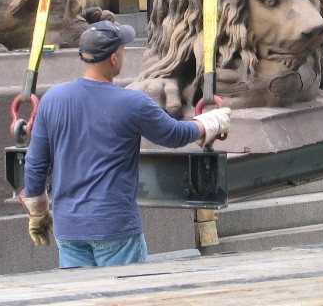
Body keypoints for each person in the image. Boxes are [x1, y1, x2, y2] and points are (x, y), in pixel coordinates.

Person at [20, 20, 231, 268]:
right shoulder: (133, 103)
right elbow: (173, 135)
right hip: (115, 226)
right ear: (113, 58)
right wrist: (209, 123)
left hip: (69, 229)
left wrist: (38, 212)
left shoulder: (52, 99)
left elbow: (35, 163)